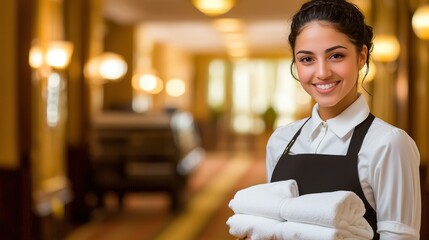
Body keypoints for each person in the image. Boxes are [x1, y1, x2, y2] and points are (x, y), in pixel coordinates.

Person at [265, 0, 421, 239]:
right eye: (307, 59)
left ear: (361, 56)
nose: (322, 72)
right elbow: (271, 225)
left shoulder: (389, 144)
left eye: (336, 55)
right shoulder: (281, 140)